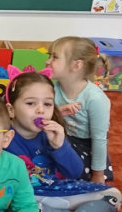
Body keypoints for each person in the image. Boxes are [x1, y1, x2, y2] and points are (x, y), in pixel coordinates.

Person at [4, 67, 122, 212]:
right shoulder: (3, 137)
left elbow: (74, 172)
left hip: (55, 191)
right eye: (31, 103)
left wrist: (59, 145)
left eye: (48, 104)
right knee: (18, 211)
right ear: (11, 110)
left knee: (112, 196)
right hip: (26, 200)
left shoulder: (51, 134)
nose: (41, 110)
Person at [47, 36, 114, 183]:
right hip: (60, 138)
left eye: (55, 57)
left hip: (84, 148)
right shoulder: (52, 88)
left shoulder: (95, 98)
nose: (48, 61)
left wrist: (98, 174)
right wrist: (58, 111)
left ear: (76, 65)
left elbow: (99, 139)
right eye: (49, 56)